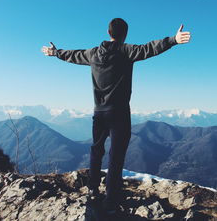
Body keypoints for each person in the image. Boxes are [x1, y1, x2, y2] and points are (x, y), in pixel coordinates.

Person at [41, 18, 191, 214]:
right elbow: (150, 48)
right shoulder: (126, 51)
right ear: (125, 34)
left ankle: (93, 189)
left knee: (96, 150)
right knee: (116, 156)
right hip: (119, 113)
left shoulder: (93, 54)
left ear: (108, 32)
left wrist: (55, 52)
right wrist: (173, 40)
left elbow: (73, 55)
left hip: (99, 112)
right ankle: (111, 199)